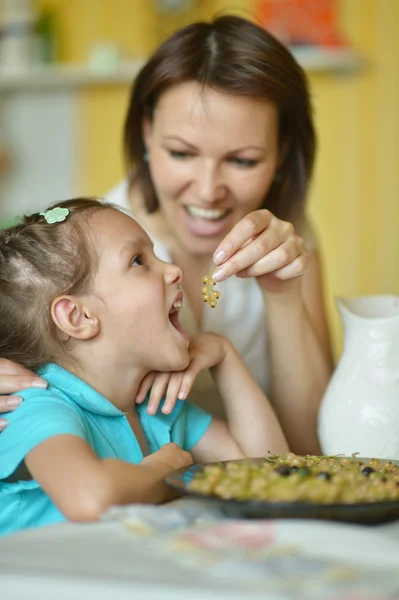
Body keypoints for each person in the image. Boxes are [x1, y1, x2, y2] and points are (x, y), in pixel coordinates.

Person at [0, 16, 332, 454]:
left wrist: (283, 295)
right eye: (181, 153)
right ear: (146, 133)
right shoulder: (84, 255)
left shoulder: (286, 243)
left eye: (243, 161)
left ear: (282, 152)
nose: (208, 189)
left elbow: (312, 451)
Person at [0, 198, 288, 536]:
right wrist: (169, 469)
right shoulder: (37, 404)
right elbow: (89, 498)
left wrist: (225, 357)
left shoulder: (158, 408)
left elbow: (270, 477)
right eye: (139, 260)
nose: (173, 270)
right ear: (78, 317)